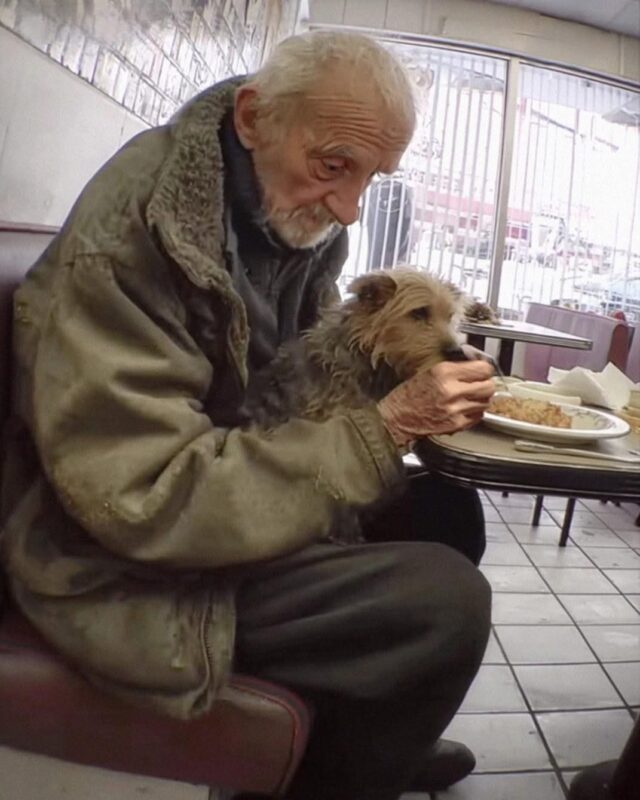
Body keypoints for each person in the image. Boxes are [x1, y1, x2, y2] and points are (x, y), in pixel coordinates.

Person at [0, 31, 495, 800]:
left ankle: (375, 734)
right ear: (256, 117)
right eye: (334, 166)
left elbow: (297, 374)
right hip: (117, 561)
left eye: (372, 178)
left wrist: (390, 397)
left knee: (446, 513)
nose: (350, 205)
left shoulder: (278, 209)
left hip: (217, 495)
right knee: (442, 602)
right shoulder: (134, 241)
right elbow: (141, 498)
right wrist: (382, 430)